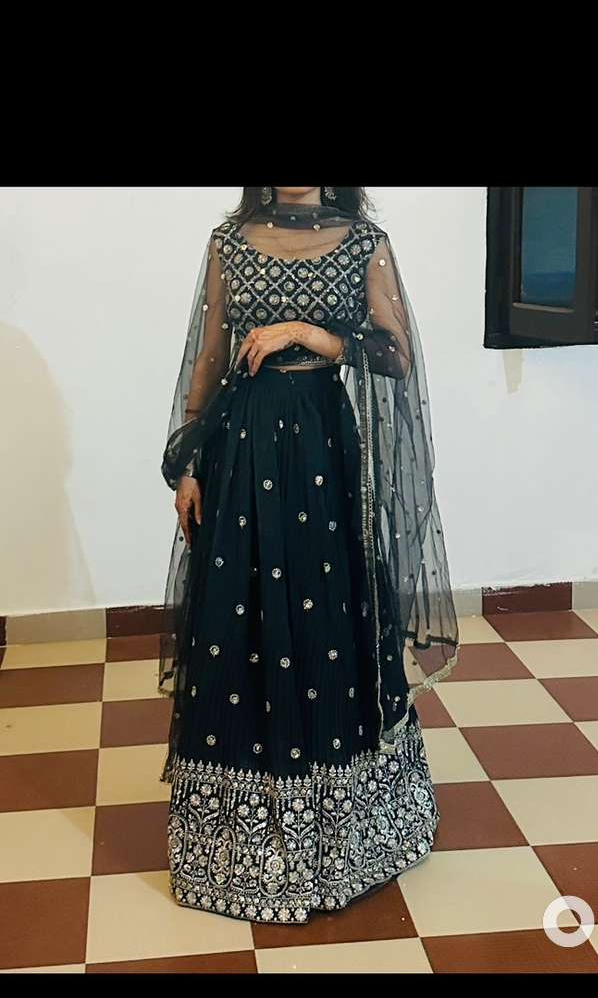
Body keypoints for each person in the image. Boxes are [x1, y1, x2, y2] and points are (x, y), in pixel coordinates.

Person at [157, 186, 458, 924]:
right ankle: (235, 840)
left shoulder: (363, 244)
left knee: (326, 613)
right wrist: (189, 463)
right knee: (244, 614)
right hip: (242, 446)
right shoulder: (229, 242)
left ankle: (347, 829)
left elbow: (395, 354)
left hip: (325, 446)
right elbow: (209, 357)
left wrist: (312, 334)